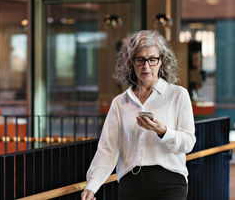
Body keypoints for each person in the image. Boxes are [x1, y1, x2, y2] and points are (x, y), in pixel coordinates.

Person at [81, 30, 196, 200]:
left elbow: (188, 144)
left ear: (162, 61)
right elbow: (108, 149)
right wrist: (92, 185)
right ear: (131, 63)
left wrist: (163, 131)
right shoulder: (120, 102)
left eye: (152, 59)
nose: (146, 66)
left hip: (170, 183)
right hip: (131, 184)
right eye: (140, 60)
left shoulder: (178, 95)